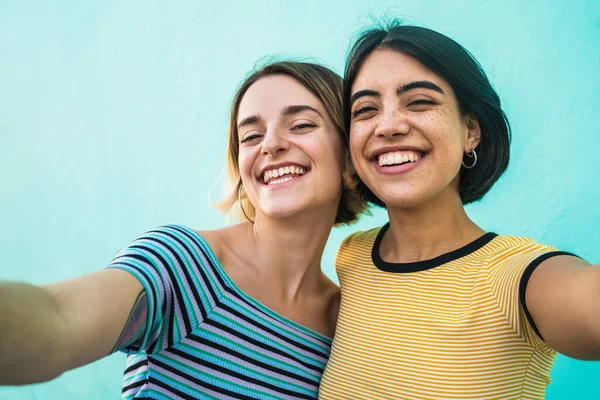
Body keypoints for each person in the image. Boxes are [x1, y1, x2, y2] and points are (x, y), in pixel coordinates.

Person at [0, 61, 365, 399]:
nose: (270, 145)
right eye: (251, 136)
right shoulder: (184, 263)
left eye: (301, 125)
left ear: (349, 158)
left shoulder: (347, 323)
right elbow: (58, 318)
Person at [318, 21, 600, 399]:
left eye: (419, 101)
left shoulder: (517, 276)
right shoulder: (351, 259)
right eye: (366, 109)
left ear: (471, 130)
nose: (387, 126)